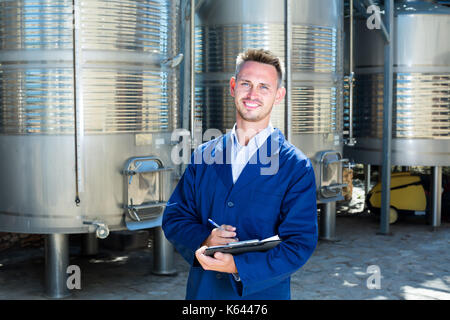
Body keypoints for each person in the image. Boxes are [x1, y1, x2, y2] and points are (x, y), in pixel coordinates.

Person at [162, 48, 318, 299]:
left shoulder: (295, 166)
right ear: (233, 86)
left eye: (264, 87)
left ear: (279, 95)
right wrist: (206, 239)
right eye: (246, 83)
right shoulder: (204, 155)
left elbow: (298, 244)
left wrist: (238, 266)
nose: (253, 94)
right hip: (204, 295)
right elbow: (175, 217)